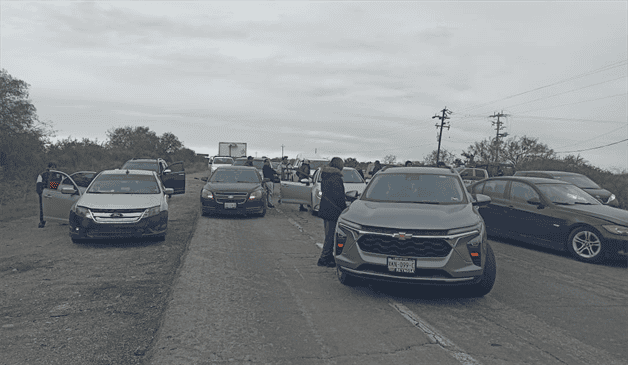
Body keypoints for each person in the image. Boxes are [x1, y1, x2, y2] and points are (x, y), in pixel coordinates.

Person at [317, 157, 346, 268]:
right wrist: (343, 208)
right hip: (333, 210)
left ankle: (328, 256)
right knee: (330, 236)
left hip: (326, 208)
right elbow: (339, 196)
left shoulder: (326, 176)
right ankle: (324, 258)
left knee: (329, 234)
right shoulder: (336, 178)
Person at [36, 162, 57, 228]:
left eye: (54, 167)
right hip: (45, 194)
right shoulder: (42, 175)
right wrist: (41, 194)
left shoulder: (58, 175)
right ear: (48, 167)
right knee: (43, 208)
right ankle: (42, 222)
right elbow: (38, 185)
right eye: (52, 167)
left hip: (56, 194)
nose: (54, 169)